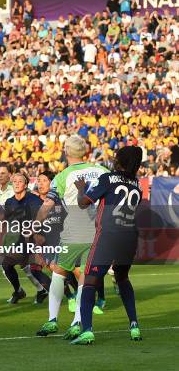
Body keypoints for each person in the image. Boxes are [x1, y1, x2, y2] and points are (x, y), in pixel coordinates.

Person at [36, 135, 108, 339]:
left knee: (58, 272)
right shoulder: (103, 171)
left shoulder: (63, 176)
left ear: (67, 152)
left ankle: (52, 320)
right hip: (97, 234)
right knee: (85, 277)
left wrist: (36, 223)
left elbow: (47, 205)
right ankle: (77, 322)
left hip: (72, 234)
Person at [71, 146, 144, 344]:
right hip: (129, 238)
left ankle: (87, 330)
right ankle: (134, 326)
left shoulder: (107, 178)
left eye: (115, 156)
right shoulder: (137, 185)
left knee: (89, 283)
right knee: (122, 278)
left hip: (108, 237)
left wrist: (80, 189)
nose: (113, 157)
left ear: (120, 160)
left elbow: (83, 202)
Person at [0, 172, 49, 304]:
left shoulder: (34, 200)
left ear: (26, 184)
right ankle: (19, 291)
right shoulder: (9, 202)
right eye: (14, 181)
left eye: (20, 181)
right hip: (20, 241)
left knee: (37, 269)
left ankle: (64, 293)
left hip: (36, 239)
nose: (16, 183)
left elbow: (44, 216)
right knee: (6, 265)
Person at [35, 171, 79, 312]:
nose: (40, 183)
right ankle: (71, 296)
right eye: (38, 180)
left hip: (64, 240)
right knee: (55, 270)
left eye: (44, 180)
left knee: (69, 270)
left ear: (52, 183)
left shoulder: (61, 199)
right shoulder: (35, 202)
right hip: (47, 243)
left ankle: (80, 293)